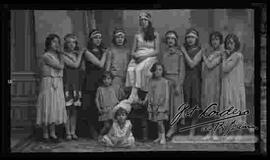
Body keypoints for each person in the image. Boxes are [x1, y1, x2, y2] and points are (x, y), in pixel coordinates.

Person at [36, 34, 67, 142]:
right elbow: (60, 66)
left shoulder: (57, 56)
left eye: (58, 42)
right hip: (48, 82)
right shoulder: (46, 56)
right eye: (54, 42)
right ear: (49, 43)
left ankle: (53, 133)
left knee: (54, 106)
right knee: (47, 105)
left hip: (57, 81)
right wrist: (62, 54)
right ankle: (45, 133)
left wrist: (60, 55)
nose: (56, 44)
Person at [125, 12, 160, 103]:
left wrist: (144, 57)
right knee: (131, 69)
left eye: (145, 20)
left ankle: (144, 94)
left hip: (150, 56)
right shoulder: (137, 35)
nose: (143, 22)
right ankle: (134, 95)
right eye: (141, 20)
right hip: (138, 56)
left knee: (139, 69)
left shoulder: (155, 34)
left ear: (149, 21)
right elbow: (133, 50)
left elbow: (157, 51)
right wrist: (135, 56)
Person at [81, 29, 108, 139]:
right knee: (92, 106)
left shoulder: (102, 51)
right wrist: (106, 54)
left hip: (101, 80)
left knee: (102, 105)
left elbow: (105, 67)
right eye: (96, 37)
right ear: (91, 39)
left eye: (100, 37)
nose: (98, 40)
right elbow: (100, 64)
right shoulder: (87, 52)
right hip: (91, 81)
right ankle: (93, 131)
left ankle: (103, 130)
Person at [220, 34, 246, 141]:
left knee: (236, 107)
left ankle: (238, 133)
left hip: (236, 87)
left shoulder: (237, 55)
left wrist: (223, 57)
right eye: (227, 43)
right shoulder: (230, 55)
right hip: (228, 85)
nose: (229, 45)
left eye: (231, 43)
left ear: (235, 44)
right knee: (229, 107)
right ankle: (231, 132)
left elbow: (225, 68)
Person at [161, 31, 185, 140]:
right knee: (167, 106)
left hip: (176, 81)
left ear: (175, 41)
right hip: (166, 82)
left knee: (175, 106)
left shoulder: (179, 54)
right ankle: (165, 129)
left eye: (173, 38)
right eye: (169, 38)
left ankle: (173, 127)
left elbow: (182, 71)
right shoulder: (164, 54)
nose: (170, 40)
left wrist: (179, 85)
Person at [201, 31, 224, 141]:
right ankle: (209, 131)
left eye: (217, 39)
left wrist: (204, 57)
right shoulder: (210, 52)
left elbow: (210, 65)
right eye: (213, 39)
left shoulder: (221, 53)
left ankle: (214, 131)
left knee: (214, 106)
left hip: (216, 82)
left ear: (220, 41)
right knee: (208, 106)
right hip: (207, 82)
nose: (214, 41)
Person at [180, 28, 203, 137]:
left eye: (192, 37)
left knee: (195, 101)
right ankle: (183, 128)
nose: (190, 39)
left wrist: (184, 52)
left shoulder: (200, 50)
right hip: (185, 78)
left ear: (196, 38)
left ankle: (192, 130)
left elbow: (192, 64)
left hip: (195, 79)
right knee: (185, 101)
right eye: (188, 37)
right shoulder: (183, 50)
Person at [62, 33, 84, 140]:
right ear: (66, 44)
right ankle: (67, 132)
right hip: (67, 83)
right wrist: (80, 54)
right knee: (67, 109)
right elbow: (75, 65)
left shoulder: (76, 54)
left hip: (76, 83)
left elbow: (80, 68)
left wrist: (78, 54)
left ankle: (73, 131)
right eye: (69, 42)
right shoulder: (63, 55)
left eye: (74, 42)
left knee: (74, 109)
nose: (72, 44)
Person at [143, 62, 169, 144]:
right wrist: (147, 101)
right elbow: (149, 92)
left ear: (163, 71)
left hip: (161, 104)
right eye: (156, 70)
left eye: (160, 70)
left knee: (160, 122)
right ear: (153, 71)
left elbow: (166, 95)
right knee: (157, 121)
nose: (158, 71)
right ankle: (159, 136)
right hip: (153, 103)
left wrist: (163, 105)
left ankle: (163, 137)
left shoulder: (165, 81)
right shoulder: (151, 81)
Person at [105, 27, 129, 100]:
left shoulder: (127, 51)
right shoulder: (110, 51)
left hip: (125, 78)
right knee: (114, 99)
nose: (120, 39)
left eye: (122, 37)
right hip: (115, 78)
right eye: (117, 37)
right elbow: (108, 66)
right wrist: (107, 78)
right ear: (114, 38)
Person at [96, 71, 119, 138]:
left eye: (108, 79)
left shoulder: (113, 88)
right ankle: (101, 134)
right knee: (107, 125)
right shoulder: (100, 89)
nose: (106, 81)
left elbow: (115, 98)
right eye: (104, 79)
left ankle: (109, 137)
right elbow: (96, 99)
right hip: (105, 110)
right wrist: (99, 108)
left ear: (111, 80)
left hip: (112, 109)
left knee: (113, 125)